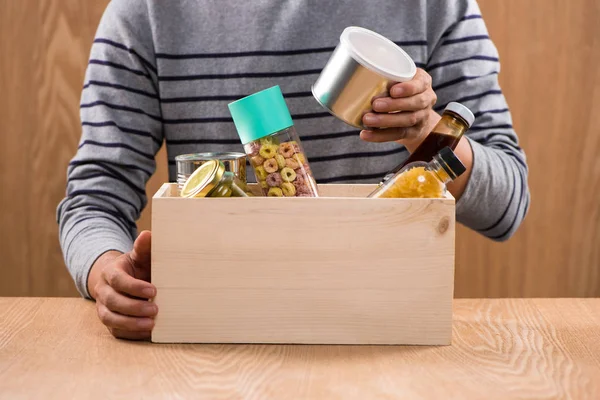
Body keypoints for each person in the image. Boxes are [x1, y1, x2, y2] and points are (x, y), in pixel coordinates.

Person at [57, 0, 530, 340]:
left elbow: (507, 205)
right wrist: (106, 274)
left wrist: (426, 129)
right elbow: (95, 196)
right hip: (217, 335)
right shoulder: (145, 11)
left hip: (385, 334)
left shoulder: (436, 6)